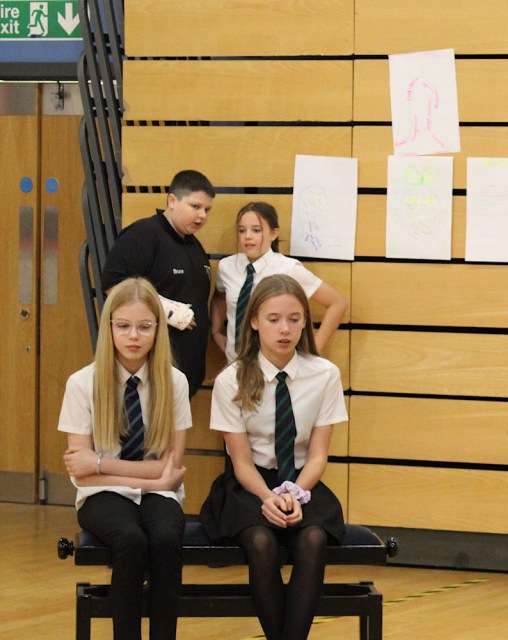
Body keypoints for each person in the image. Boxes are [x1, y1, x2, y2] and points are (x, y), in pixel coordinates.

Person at [200, 274, 348, 640]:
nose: (285, 329)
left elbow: (317, 456)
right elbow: (241, 463)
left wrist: (294, 494)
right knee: (262, 542)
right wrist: (268, 498)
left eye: (295, 319)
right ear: (253, 321)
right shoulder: (231, 380)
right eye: (274, 319)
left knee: (313, 539)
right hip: (249, 486)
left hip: (301, 480)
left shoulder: (324, 374)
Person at [59, 277, 191, 640]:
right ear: (109, 327)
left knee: (165, 538)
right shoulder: (83, 383)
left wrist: (101, 464)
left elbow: (172, 467)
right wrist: (152, 476)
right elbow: (81, 476)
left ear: (158, 329)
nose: (134, 335)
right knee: (130, 541)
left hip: (158, 495)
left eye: (145, 326)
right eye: (124, 326)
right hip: (100, 496)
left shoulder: (175, 382)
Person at [102, 169, 216, 397]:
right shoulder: (144, 234)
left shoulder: (195, 246)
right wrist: (167, 311)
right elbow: (114, 285)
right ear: (172, 201)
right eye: (195, 207)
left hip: (186, 373)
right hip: (151, 370)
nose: (202, 215)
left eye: (207, 209)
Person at [211, 201, 347, 363]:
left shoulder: (289, 268)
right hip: (235, 365)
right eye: (242, 230)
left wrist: (313, 352)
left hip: (276, 366)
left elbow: (337, 303)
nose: (247, 236)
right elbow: (219, 297)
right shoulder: (227, 266)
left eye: (256, 230)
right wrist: (216, 331)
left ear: (274, 234)